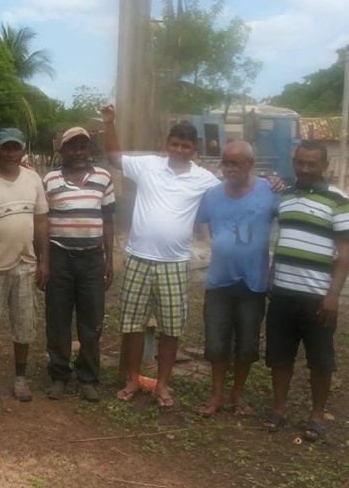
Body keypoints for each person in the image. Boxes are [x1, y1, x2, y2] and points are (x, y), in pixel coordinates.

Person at [101, 104, 219, 406]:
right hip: (139, 257)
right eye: (175, 144)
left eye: (186, 146)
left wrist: (272, 183)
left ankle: (163, 384)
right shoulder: (148, 165)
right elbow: (114, 158)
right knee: (133, 323)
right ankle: (133, 379)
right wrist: (109, 123)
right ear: (167, 144)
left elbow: (234, 187)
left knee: (171, 327)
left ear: (195, 149)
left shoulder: (205, 178)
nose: (180, 149)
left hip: (175, 263)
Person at [264, 141, 349, 441]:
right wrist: (272, 276)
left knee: (320, 359)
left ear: (325, 166)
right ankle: (279, 409)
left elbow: (345, 253)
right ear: (294, 162)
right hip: (283, 293)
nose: (305, 169)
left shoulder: (338, 200)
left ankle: (316, 415)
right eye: (300, 162)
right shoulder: (284, 197)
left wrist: (333, 295)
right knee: (279, 355)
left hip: (318, 297)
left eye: (312, 164)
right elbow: (284, 238)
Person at [195, 141, 279, 417]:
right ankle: (217, 395)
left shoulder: (270, 191)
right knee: (217, 342)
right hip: (219, 281)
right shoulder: (212, 194)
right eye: (226, 162)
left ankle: (237, 394)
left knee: (247, 343)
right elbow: (198, 220)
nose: (229, 168)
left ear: (251, 164)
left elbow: (288, 221)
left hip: (254, 282)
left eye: (236, 163)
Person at [0, 128, 50, 402]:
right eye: (6, 148)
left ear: (23, 150)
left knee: (24, 324)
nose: (11, 153)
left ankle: (21, 378)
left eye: (16, 148)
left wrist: (44, 261)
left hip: (26, 264)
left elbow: (41, 222)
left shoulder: (33, 178)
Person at [43, 126, 115, 401]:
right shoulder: (49, 180)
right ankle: (59, 375)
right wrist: (44, 263)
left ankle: (87, 377)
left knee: (92, 321)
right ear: (61, 150)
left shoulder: (104, 178)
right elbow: (43, 223)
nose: (78, 152)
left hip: (93, 260)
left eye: (83, 146)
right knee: (58, 320)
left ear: (90, 149)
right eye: (72, 146)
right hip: (60, 258)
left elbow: (108, 220)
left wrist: (109, 260)